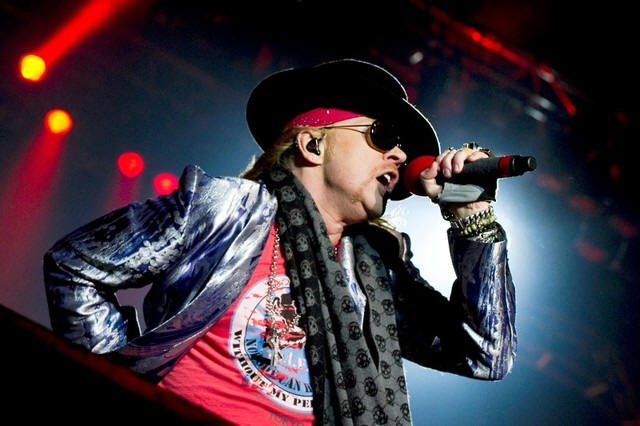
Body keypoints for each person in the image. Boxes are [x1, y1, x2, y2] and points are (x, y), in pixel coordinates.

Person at [44, 59, 516, 426]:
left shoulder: (379, 270)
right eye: (383, 136)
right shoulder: (225, 209)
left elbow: (484, 353)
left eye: (401, 147)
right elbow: (74, 266)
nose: (399, 154)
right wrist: (118, 376)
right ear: (313, 145)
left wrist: (470, 213)